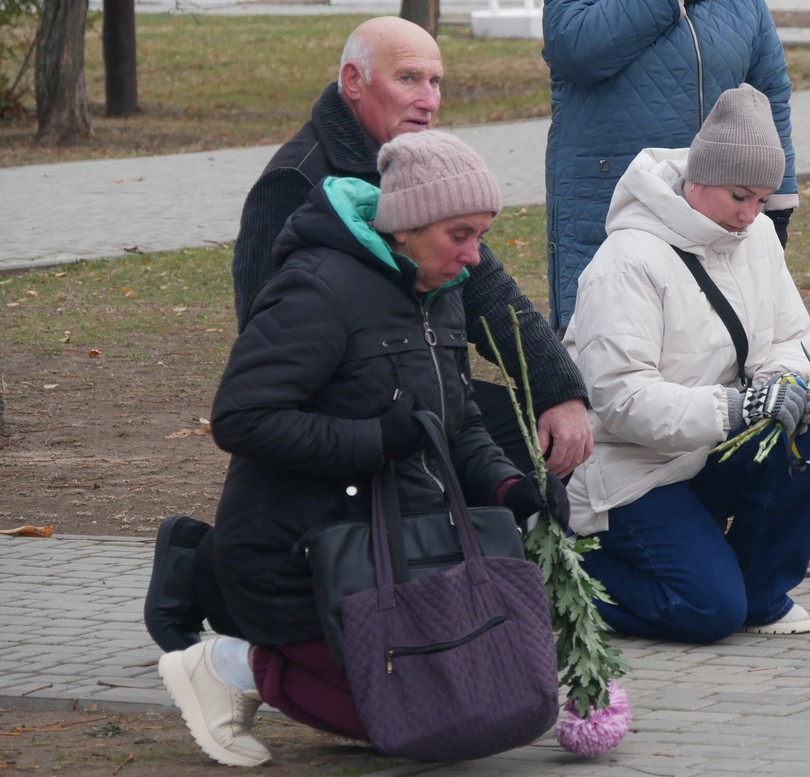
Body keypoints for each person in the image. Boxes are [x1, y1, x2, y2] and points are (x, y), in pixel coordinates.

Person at [145, 16, 591, 654]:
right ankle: (206, 568)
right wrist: (376, 419)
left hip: (405, 390)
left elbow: (492, 295)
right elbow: (268, 335)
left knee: (507, 440)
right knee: (341, 551)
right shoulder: (295, 181)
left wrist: (558, 392)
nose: (429, 97)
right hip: (341, 404)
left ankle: (439, 598)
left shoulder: (427, 170)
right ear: (354, 82)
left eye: (436, 80)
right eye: (409, 77)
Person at [158, 130, 572, 767]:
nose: (475, 257)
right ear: (406, 227)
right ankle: (230, 663)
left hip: (391, 551)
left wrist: (509, 486)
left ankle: (263, 655)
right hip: (299, 557)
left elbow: (456, 423)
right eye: (460, 235)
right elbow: (241, 418)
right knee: (433, 718)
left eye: (481, 235)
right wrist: (373, 440)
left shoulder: (439, 294)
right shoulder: (319, 290)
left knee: (488, 703)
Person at [563, 85, 810, 644]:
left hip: (703, 450)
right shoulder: (626, 262)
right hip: (630, 474)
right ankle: (561, 575)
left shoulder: (758, 235)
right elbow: (621, 402)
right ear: (697, 179)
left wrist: (783, 383)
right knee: (707, 611)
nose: (750, 214)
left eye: (763, 199)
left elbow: (789, 336)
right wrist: (740, 407)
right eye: (740, 195)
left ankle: (760, 595)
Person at [542, 0, 799, 332]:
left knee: (713, 334)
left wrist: (777, 200)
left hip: (714, 200)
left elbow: (769, 93)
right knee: (610, 335)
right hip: (608, 193)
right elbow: (573, 48)